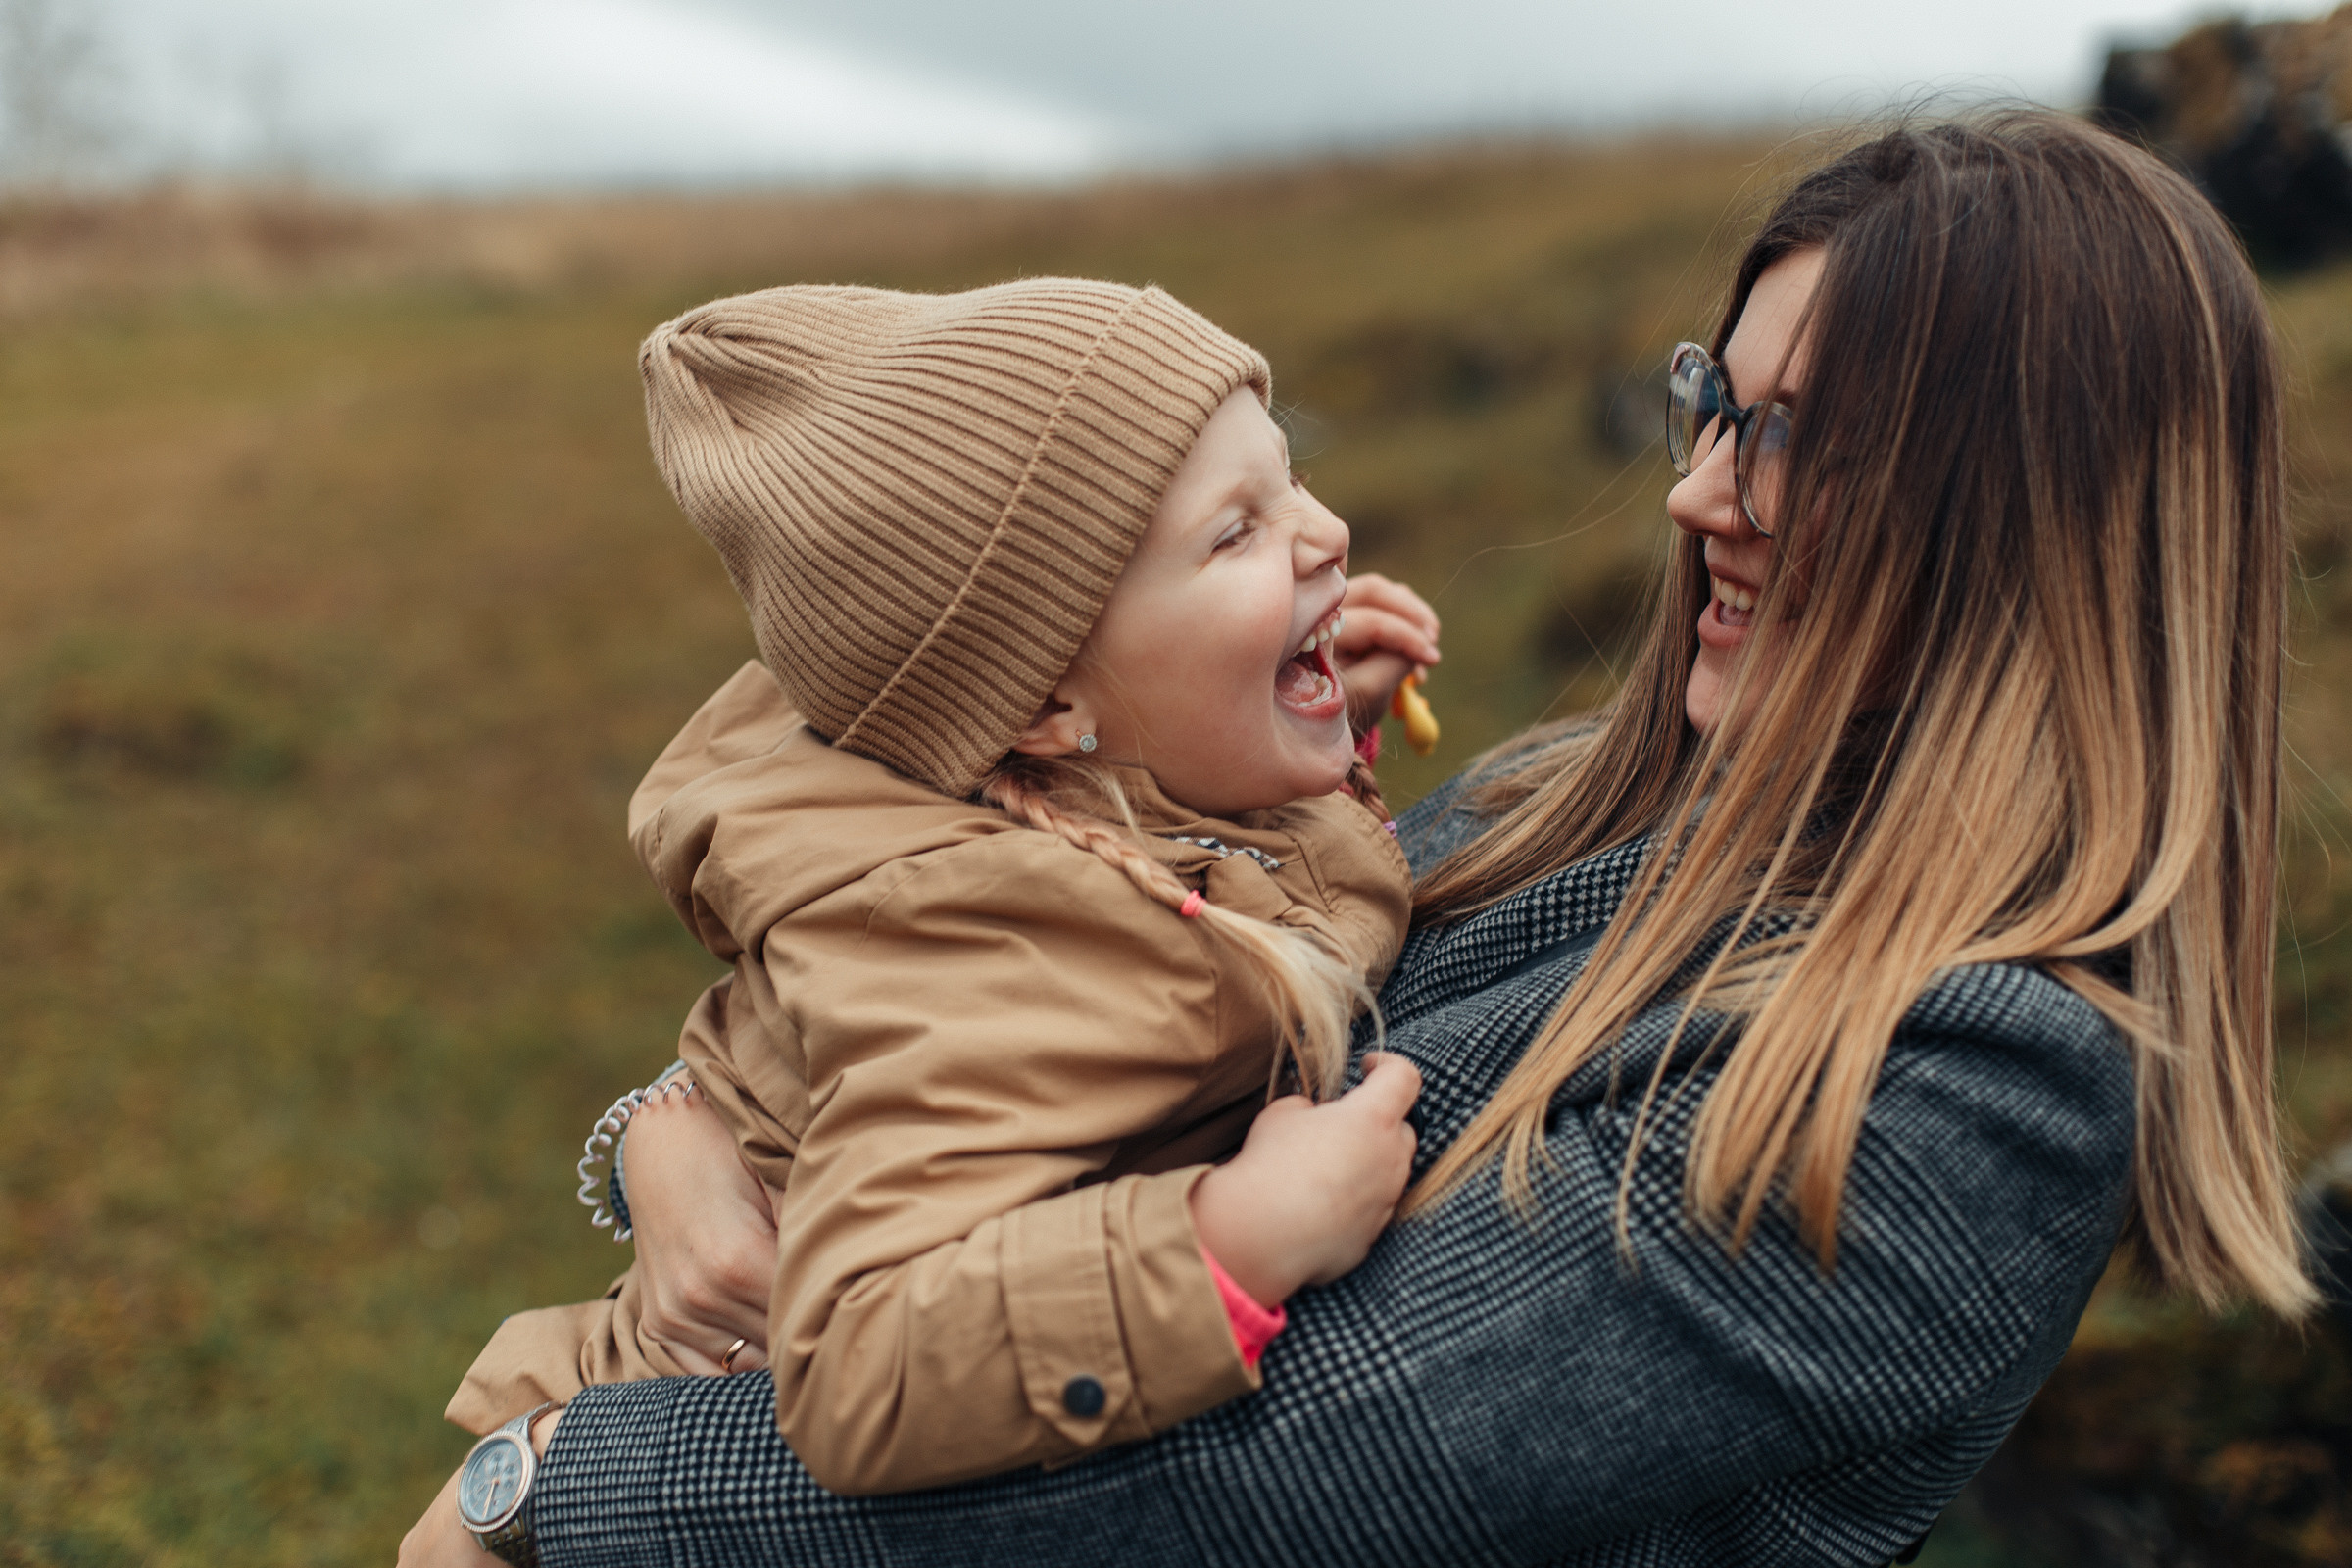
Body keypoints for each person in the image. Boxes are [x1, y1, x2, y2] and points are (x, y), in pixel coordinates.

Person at [403, 110, 2313, 1567]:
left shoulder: (1969, 1090)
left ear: (2029, 510)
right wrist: (663, 1139)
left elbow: (1241, 1473)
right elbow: (1000, 952)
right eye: (1711, 400)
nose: (1694, 492)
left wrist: (560, 1487)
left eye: (1793, 437)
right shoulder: (1578, 792)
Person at [438, 278, 1449, 1496]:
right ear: (1040, 708)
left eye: (1288, 474)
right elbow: (857, 1363)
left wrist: (1319, 721)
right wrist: (1223, 1244)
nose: (1326, 530)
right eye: (1235, 530)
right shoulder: (998, 942)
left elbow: (1174, 827)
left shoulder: (1068, 787)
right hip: (635, 1501)